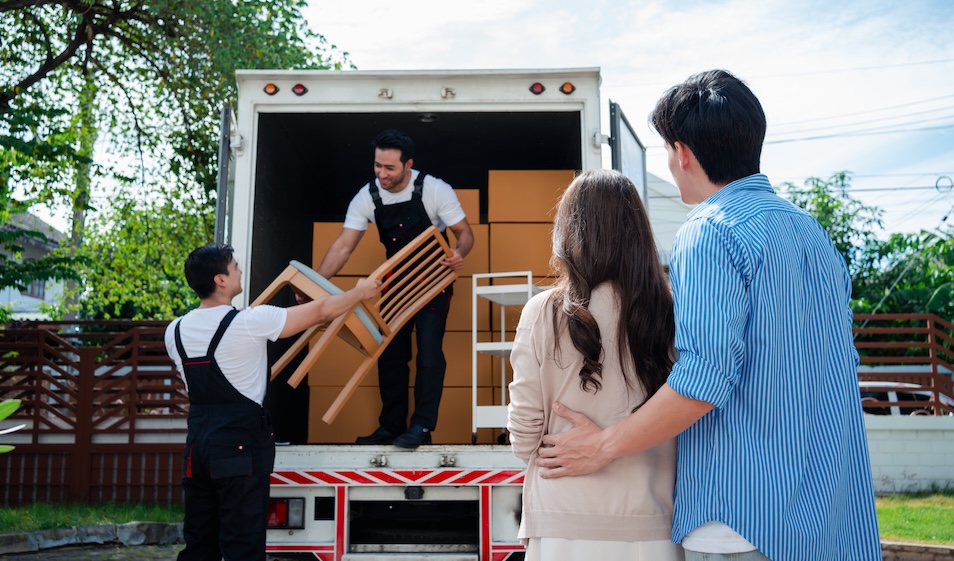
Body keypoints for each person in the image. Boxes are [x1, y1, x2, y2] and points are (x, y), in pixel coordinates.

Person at [534, 70, 882, 561]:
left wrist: (604, 445)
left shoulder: (710, 231)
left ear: (683, 153)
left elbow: (705, 377)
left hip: (741, 519)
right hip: (827, 515)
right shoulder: (810, 232)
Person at [507, 169, 684, 561]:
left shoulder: (543, 311)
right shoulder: (672, 310)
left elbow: (523, 434)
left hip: (563, 522)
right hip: (653, 524)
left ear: (568, 232)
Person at [165, 243, 379, 561]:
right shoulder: (251, 322)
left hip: (197, 449)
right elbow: (322, 311)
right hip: (238, 447)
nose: (239, 270)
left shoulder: (175, 331)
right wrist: (360, 291)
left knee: (199, 544)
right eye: (234, 266)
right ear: (220, 280)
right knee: (243, 545)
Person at [313, 129, 474, 448]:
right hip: (394, 282)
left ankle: (421, 427)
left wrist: (459, 253)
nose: (381, 174)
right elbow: (343, 247)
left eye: (389, 168)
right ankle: (390, 426)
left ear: (408, 164)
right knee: (389, 356)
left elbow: (465, 233)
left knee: (429, 352)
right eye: (377, 166)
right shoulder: (367, 197)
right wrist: (316, 282)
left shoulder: (434, 189)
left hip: (432, 280)